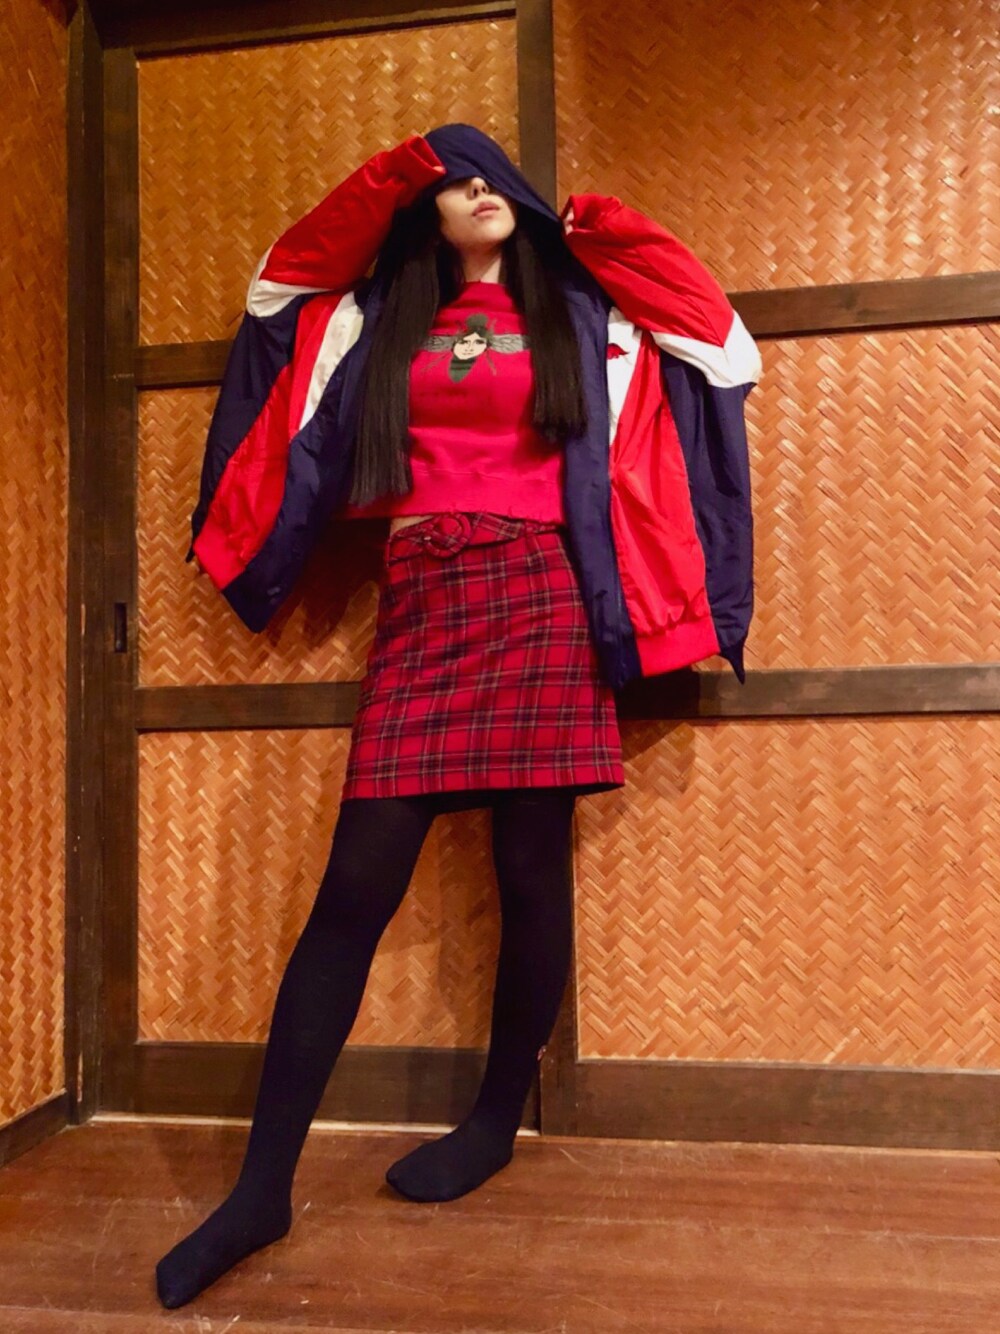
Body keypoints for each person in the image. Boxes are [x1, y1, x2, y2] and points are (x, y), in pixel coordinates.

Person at [157, 123, 761, 1309]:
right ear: (423, 212)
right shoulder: (379, 318)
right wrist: (403, 166)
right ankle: (260, 1189)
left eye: (493, 178)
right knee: (352, 891)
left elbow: (719, 344)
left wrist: (600, 228)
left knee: (531, 872)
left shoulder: (584, 313)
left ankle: (492, 1117)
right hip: (425, 597)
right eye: (453, 184)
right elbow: (278, 285)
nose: (476, 193)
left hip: (544, 594)